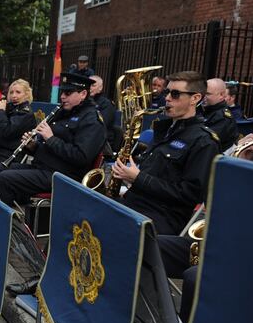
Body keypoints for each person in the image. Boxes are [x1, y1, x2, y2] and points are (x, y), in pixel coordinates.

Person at [112, 71, 219, 235]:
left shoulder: (203, 141)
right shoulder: (164, 128)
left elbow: (189, 195)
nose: (167, 98)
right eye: (167, 92)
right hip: (134, 203)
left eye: (175, 94)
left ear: (195, 98)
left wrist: (139, 178)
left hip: (161, 217)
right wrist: (128, 176)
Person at [0, 72, 106, 209]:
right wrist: (33, 147)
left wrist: (51, 138)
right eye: (62, 93)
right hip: (46, 168)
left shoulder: (91, 120)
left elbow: (81, 157)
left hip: (64, 176)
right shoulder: (64, 112)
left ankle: (10, 223)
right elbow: (50, 152)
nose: (62, 97)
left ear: (83, 94)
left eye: (68, 93)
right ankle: (22, 214)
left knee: (5, 179)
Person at [0, 78, 37, 168]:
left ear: (26, 95)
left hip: (10, 157)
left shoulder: (26, 114)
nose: (14, 96)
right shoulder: (10, 109)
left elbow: (6, 131)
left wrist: (1, 111)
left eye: (18, 92)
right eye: (11, 92)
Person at [201, 78, 238, 152]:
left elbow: (205, 143)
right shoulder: (204, 109)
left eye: (207, 94)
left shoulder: (222, 118)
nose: (203, 97)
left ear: (221, 95)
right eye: (203, 93)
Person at [89, 75, 121, 153]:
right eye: (88, 85)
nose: (90, 87)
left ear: (100, 88)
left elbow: (102, 125)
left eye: (93, 85)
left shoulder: (106, 104)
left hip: (102, 142)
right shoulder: (83, 101)